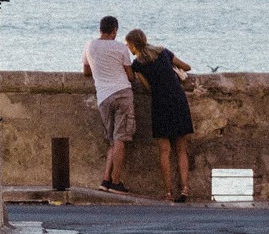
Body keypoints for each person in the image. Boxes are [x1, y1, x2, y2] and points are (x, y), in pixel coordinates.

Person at [124, 28, 194, 202]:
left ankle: (168, 192)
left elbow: (148, 88)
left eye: (128, 45)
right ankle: (185, 188)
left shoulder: (138, 64)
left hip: (160, 103)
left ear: (133, 45)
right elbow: (187, 67)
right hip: (178, 99)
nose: (128, 48)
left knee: (164, 150)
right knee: (181, 149)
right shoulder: (163, 52)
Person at [83, 16, 135, 195]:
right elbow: (130, 75)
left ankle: (105, 180)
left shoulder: (90, 45)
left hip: (103, 97)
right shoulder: (120, 47)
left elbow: (86, 71)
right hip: (122, 93)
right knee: (120, 138)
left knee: (112, 140)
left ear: (100, 29)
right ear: (114, 30)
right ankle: (116, 181)